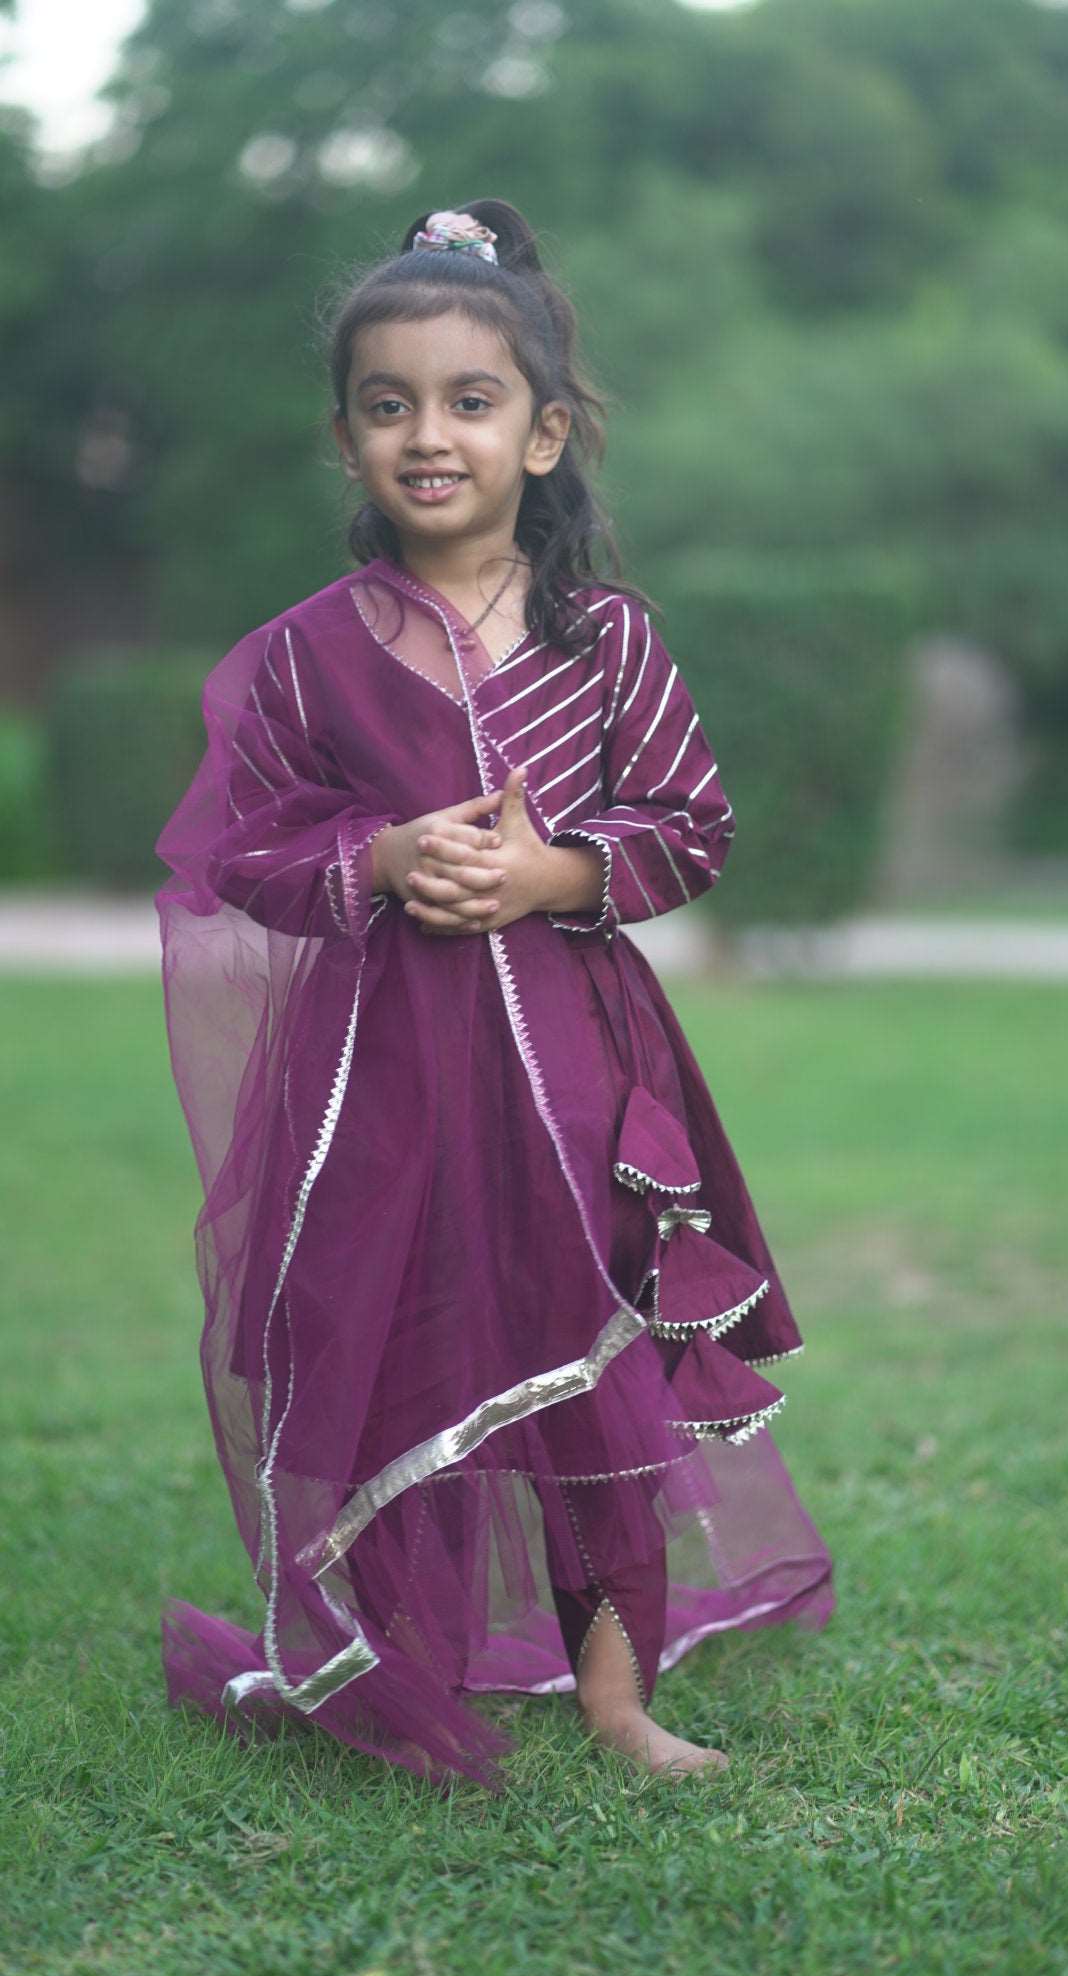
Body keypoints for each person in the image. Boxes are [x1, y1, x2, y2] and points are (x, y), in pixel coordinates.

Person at [154, 199, 835, 1793]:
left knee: (594, 1347)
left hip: (584, 1077)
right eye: (388, 405)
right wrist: (376, 856)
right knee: (401, 1345)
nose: (428, 434)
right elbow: (240, 850)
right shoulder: (305, 657)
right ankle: (402, 1671)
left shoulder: (609, 643)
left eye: (471, 400)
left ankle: (615, 1695)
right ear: (347, 441)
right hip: (382, 1084)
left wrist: (554, 877)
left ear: (547, 433)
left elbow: (691, 827)